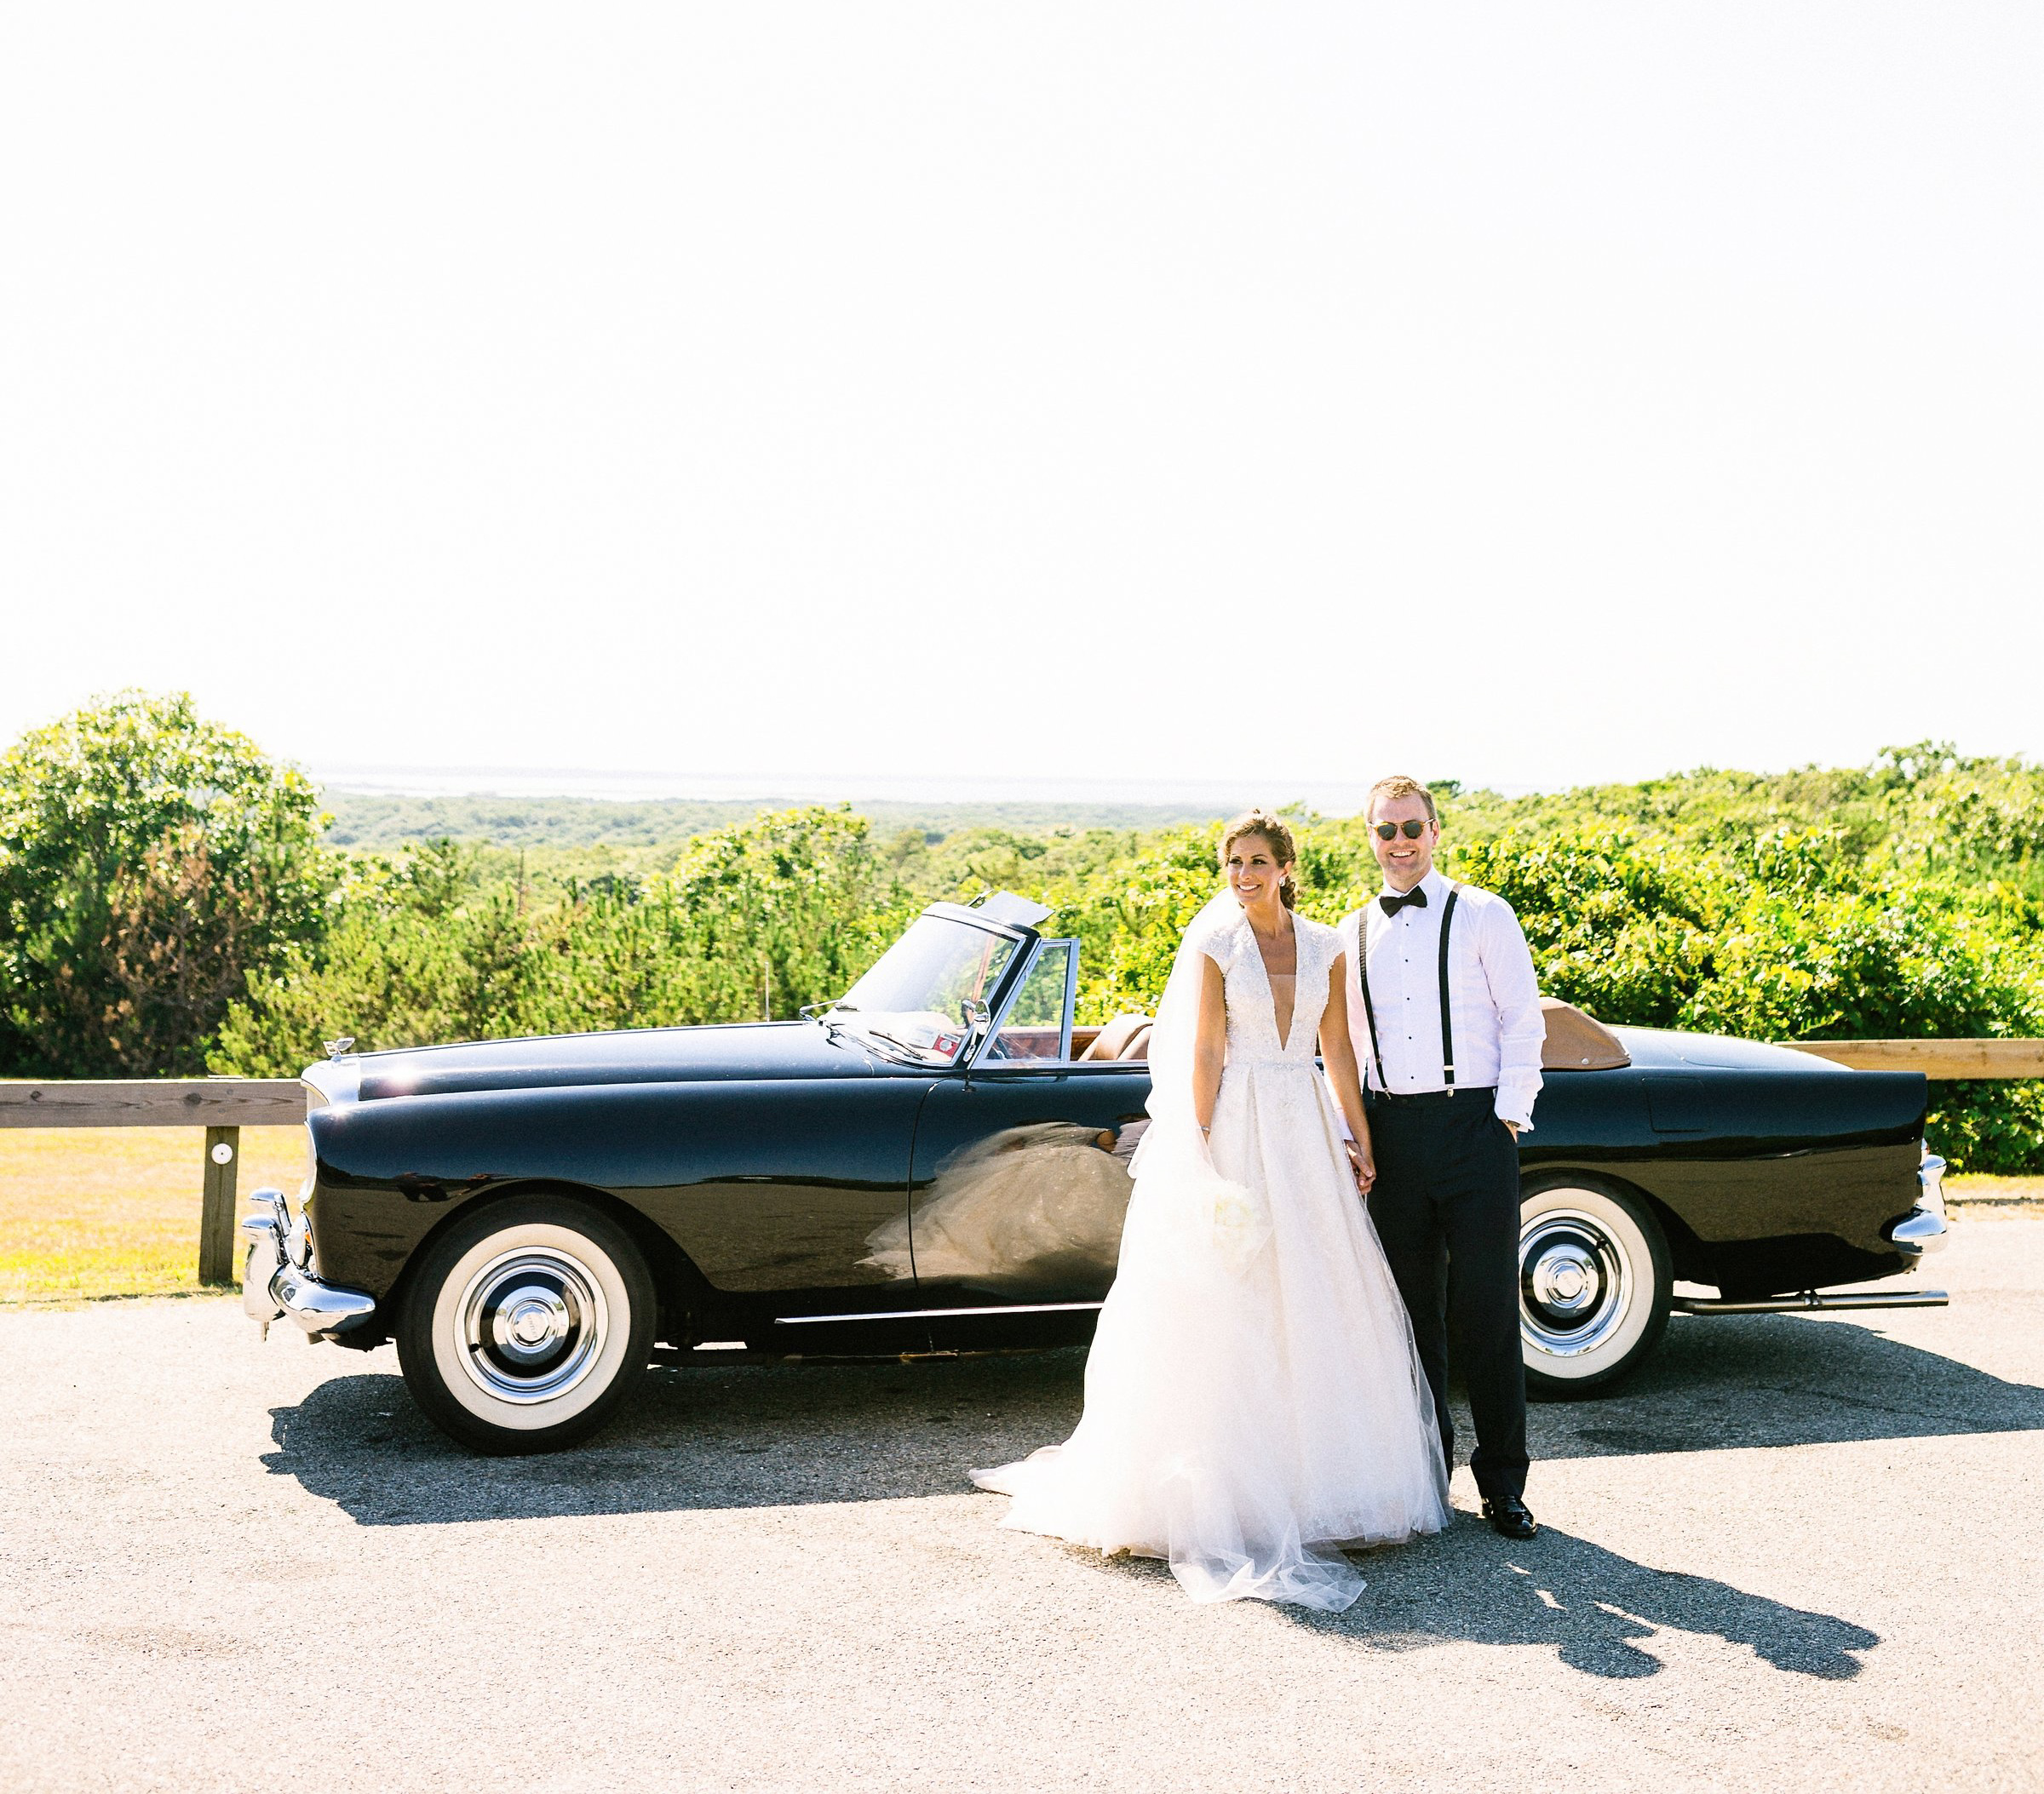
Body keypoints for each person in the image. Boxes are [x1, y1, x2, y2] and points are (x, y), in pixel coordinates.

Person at [972, 811, 1449, 1610]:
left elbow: (1339, 1050)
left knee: (1318, 1291)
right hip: (1236, 1123)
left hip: (1304, 1128)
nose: (1244, 875)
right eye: (1234, 863)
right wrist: (1194, 1141)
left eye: (1258, 861)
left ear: (1286, 867)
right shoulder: (1216, 945)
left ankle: (1325, 1484)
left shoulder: (1327, 945)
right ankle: (1220, 1485)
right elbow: (1203, 1050)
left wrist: (1359, 1139)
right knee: (1232, 1294)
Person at [1337, 775, 1546, 1539]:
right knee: (1411, 1315)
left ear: (1435, 831)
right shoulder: (1352, 930)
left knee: (1487, 1311)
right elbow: (1348, 1048)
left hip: (1475, 1129)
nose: (1400, 843)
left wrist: (1509, 1116)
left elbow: (1522, 1018)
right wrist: (1353, 1135)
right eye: (1386, 830)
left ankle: (1505, 1485)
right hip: (1393, 1134)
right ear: (1370, 837)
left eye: (1412, 828)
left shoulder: (1485, 914)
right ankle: (1430, 1476)